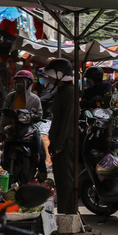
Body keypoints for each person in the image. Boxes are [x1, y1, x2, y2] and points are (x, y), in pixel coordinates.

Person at [44, 58, 77, 215]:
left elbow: (67, 121)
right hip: (59, 142)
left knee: (66, 180)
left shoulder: (69, 92)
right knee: (61, 180)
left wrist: (59, 145)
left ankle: (69, 213)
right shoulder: (62, 91)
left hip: (66, 143)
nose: (49, 79)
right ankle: (65, 212)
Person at [0, 70, 43, 135]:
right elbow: (4, 117)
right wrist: (2, 132)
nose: (18, 83)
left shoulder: (35, 99)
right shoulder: (10, 96)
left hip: (27, 131)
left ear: (28, 83)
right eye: (17, 81)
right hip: (11, 130)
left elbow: (39, 117)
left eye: (21, 81)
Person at [36, 68, 57, 167]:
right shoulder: (45, 87)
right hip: (42, 115)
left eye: (41, 77)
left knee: (44, 136)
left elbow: (46, 98)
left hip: (48, 116)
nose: (40, 79)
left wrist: (35, 101)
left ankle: (49, 161)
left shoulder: (52, 87)